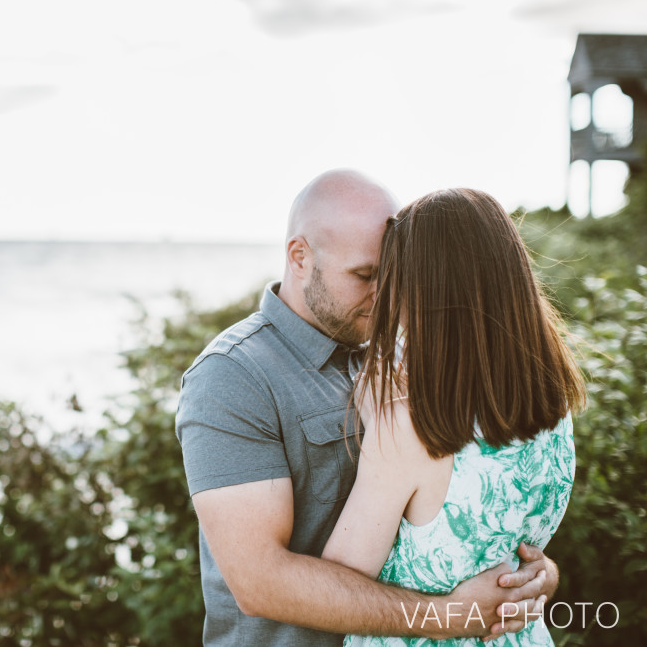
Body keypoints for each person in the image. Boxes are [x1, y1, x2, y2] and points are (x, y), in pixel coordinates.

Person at [175, 170, 559, 646]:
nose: (386, 296)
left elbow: (466, 501)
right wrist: (449, 617)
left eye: (395, 277)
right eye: (365, 275)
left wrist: (528, 575)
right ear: (300, 257)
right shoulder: (234, 377)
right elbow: (259, 583)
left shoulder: (405, 350)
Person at [322, 187, 584, 646]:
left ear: (422, 288)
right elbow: (523, 553)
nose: (383, 292)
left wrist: (375, 413)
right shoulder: (554, 406)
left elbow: (336, 589)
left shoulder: (410, 428)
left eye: (393, 275)